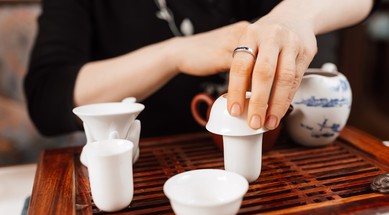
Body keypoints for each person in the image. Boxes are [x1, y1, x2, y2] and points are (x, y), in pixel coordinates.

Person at [24, 0, 380, 139]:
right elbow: (49, 97)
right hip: (157, 170)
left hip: (304, 158)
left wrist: (294, 15)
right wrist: (174, 54)